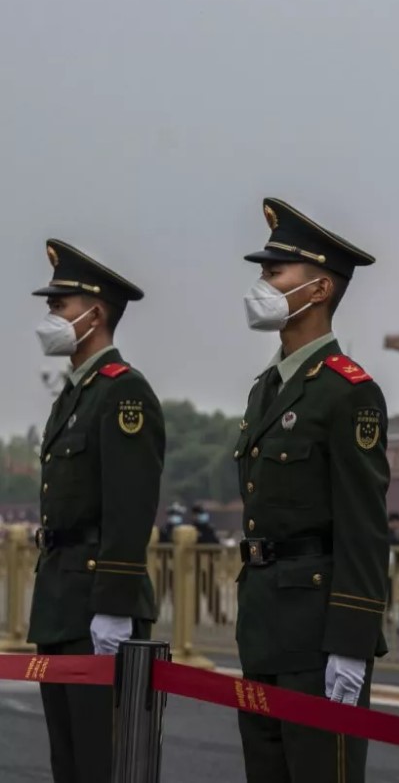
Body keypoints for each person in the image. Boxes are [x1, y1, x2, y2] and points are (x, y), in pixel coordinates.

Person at [233, 198, 390, 783]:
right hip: (265, 621)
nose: (262, 284)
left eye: (275, 273)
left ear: (319, 288)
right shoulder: (265, 390)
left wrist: (351, 642)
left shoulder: (347, 393)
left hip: (318, 631)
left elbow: (364, 526)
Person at [28, 239, 163, 783]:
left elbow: (130, 509)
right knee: (69, 764)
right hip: (61, 602)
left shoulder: (123, 394)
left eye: (59, 306)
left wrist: (113, 608)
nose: (50, 317)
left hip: (96, 609)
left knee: (104, 765)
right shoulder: (73, 396)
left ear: (94, 313)